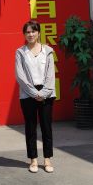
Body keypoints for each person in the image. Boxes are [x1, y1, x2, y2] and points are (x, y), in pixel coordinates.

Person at [15, 20, 56, 173]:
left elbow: (51, 75)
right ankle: (33, 160)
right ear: (24, 34)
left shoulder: (48, 51)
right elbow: (20, 76)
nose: (30, 34)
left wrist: (43, 93)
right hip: (28, 94)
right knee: (30, 127)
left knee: (46, 127)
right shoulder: (20, 52)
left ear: (38, 33)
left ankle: (47, 159)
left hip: (47, 93)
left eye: (33, 31)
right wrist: (34, 93)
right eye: (27, 32)